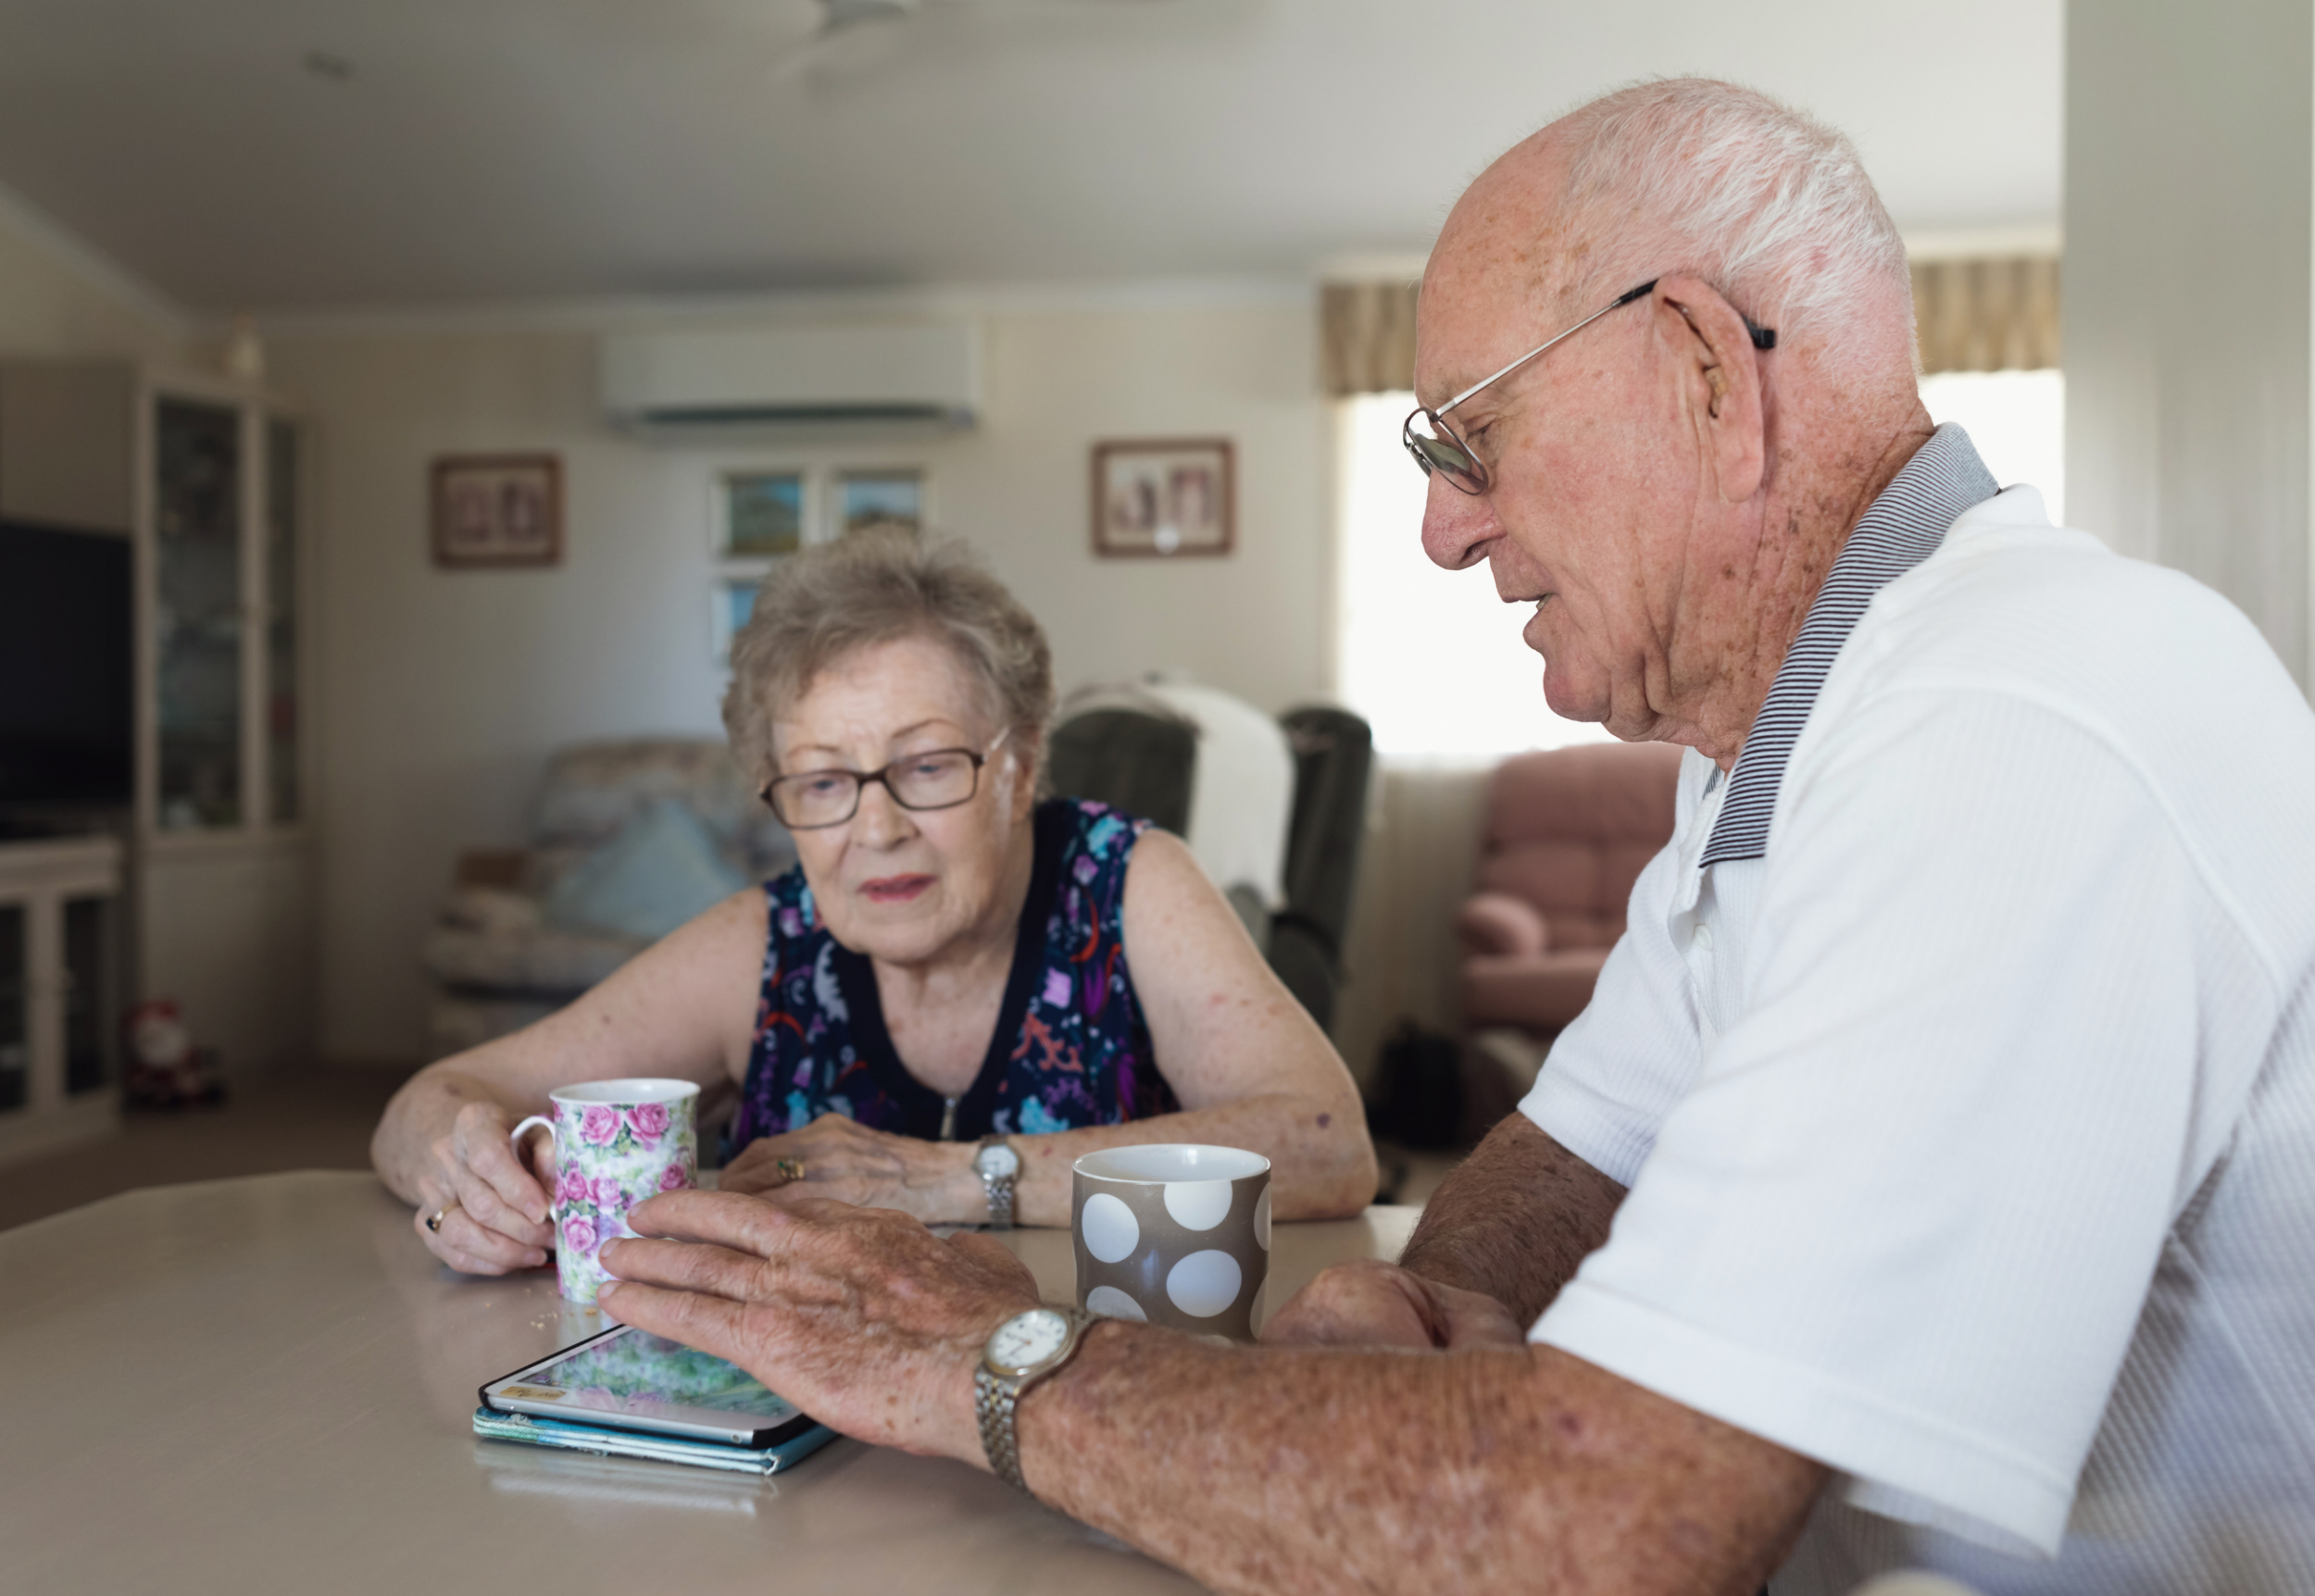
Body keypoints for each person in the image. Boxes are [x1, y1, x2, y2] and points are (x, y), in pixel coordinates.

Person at [582, 78, 2315, 1596]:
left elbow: (1613, 1533)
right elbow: (1576, 1147)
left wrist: (979, 1354)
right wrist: (1421, 1297)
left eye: (1472, 438)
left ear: (1704, 370)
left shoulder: (2011, 719)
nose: (1439, 529)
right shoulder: (1777, 743)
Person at [372, 530, 1376, 1272]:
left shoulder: (1125, 881)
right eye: (822, 781)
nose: (876, 826)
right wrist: (469, 1176)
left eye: (926, 765)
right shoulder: (766, 942)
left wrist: (949, 1177)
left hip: (1098, 1383)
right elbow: (431, 1100)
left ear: (1019, 766)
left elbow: (1327, 1143)